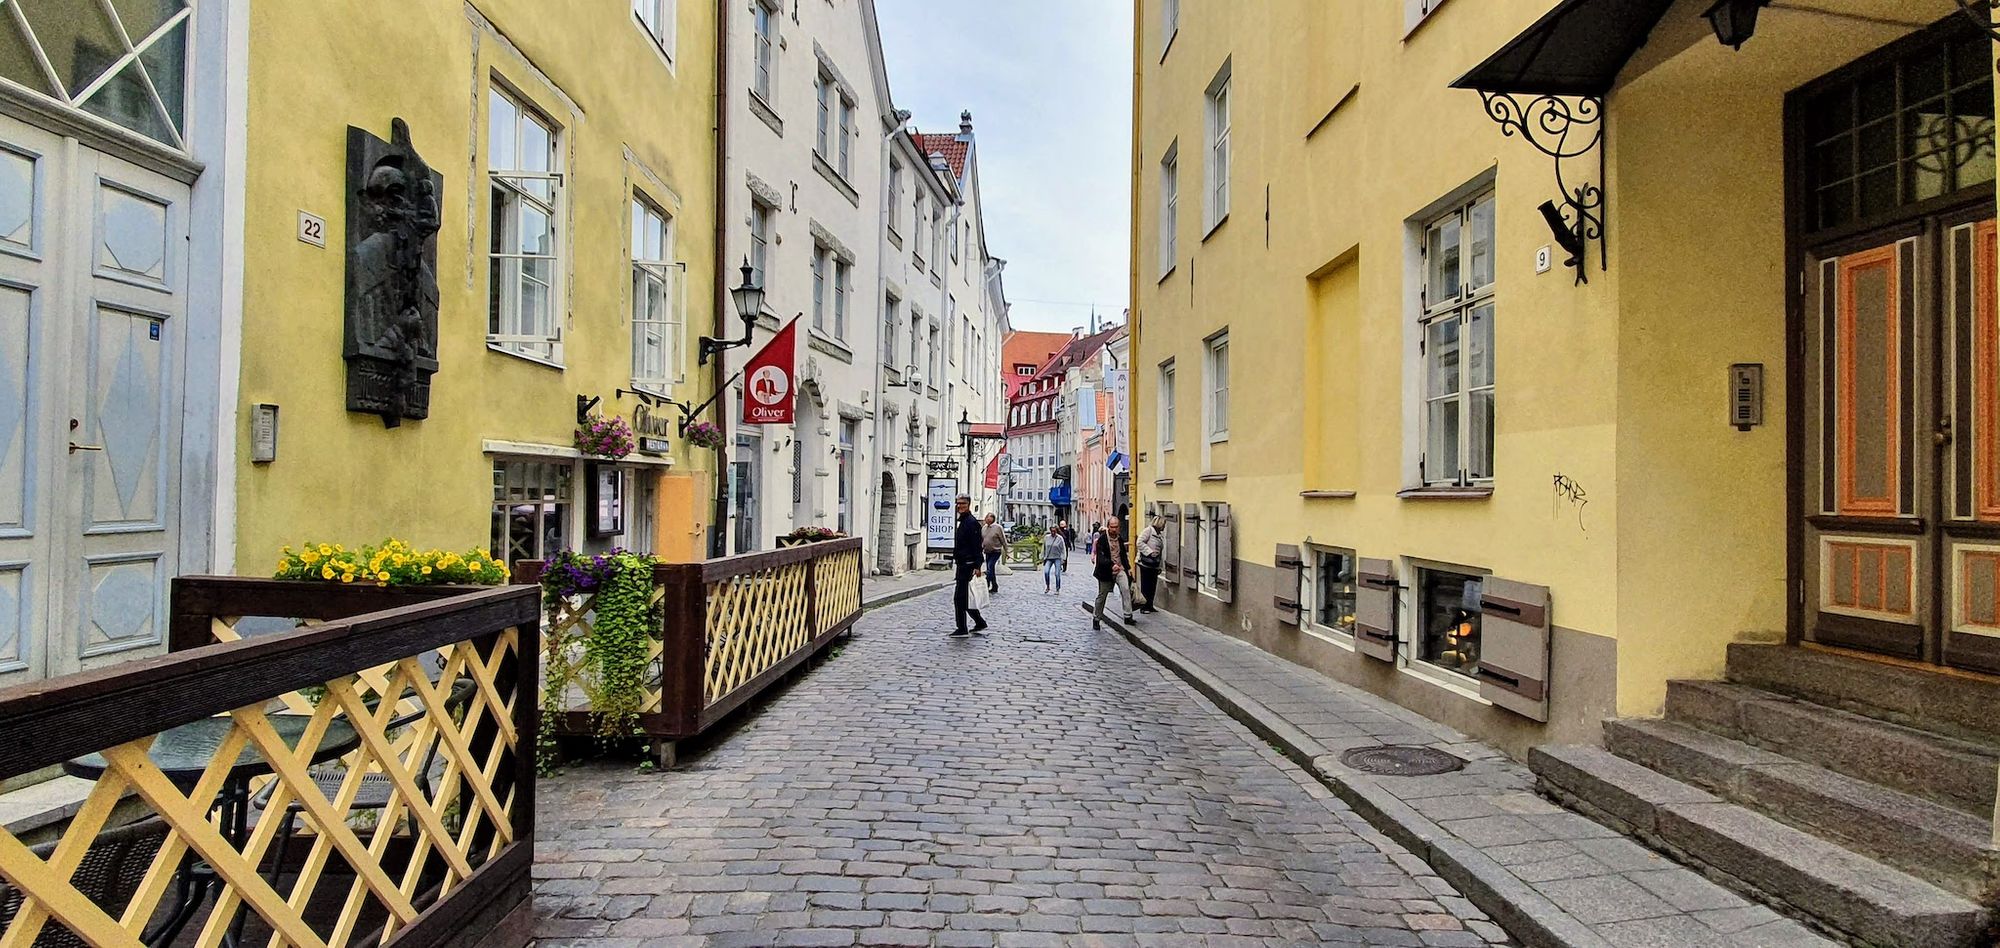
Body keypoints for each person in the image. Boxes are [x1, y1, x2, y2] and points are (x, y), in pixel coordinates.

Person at [950, 495, 988, 638]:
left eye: (963, 504)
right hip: (962, 564)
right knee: (965, 597)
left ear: (969, 504)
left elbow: (977, 546)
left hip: (968, 565)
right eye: (958, 504)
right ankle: (979, 622)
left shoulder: (971, 523)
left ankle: (962, 628)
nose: (960, 506)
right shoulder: (964, 521)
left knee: (960, 598)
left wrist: (977, 565)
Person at [1091, 517, 1135, 630]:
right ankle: (1096, 618)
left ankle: (1128, 616)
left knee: (1125, 589)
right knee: (1102, 596)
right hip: (1105, 572)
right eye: (1112, 527)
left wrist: (1128, 567)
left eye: (1116, 527)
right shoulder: (1102, 540)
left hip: (1120, 570)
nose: (1114, 529)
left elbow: (1123, 555)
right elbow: (1101, 558)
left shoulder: (1119, 538)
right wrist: (1111, 565)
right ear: (1108, 526)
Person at [1137, 515, 1165, 613]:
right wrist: (1149, 552)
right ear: (1159, 523)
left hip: (1154, 564)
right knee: (1146, 585)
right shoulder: (1148, 531)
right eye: (1163, 524)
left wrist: (1160, 566)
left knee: (1152, 585)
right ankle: (1144, 607)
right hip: (1145, 562)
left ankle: (1150, 605)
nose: (1164, 526)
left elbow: (1160, 552)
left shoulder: (1159, 535)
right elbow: (1139, 542)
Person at [981, 513, 1005, 593]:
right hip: (987, 551)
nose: (987, 520)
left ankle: (987, 584)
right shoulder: (984, 528)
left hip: (996, 551)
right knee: (990, 569)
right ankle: (994, 586)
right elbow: (982, 539)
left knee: (990, 566)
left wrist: (1006, 550)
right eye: (986, 518)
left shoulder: (998, 528)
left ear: (993, 519)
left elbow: (1003, 539)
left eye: (989, 519)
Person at [1040, 524, 1068, 594]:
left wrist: (1064, 558)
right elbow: (1044, 547)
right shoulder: (1047, 537)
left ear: (1056, 531)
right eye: (1052, 531)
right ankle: (1048, 586)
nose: (1053, 532)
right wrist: (1042, 556)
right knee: (1046, 572)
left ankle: (1057, 589)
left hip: (1057, 558)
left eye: (1054, 531)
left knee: (1057, 574)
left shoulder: (1060, 538)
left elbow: (1063, 549)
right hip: (1049, 557)